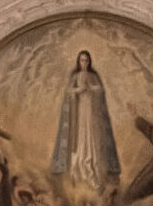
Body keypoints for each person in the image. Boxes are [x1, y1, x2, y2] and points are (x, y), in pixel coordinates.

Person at [50, 49, 121, 191]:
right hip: (79, 114)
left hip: (92, 114)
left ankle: (94, 170)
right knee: (81, 140)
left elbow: (100, 90)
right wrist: (79, 90)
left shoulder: (94, 76)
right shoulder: (75, 76)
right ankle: (80, 172)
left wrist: (91, 88)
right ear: (78, 61)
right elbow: (69, 92)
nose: (84, 63)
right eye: (82, 60)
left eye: (86, 60)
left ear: (89, 62)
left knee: (93, 141)